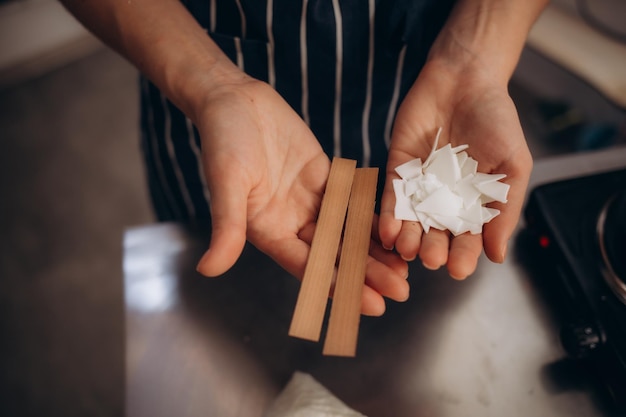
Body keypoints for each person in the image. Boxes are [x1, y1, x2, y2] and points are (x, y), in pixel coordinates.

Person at [60, 0, 547, 316]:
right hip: (214, 98)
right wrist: (212, 85)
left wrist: (476, 56)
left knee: (408, 312)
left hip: (424, 105)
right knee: (225, 318)